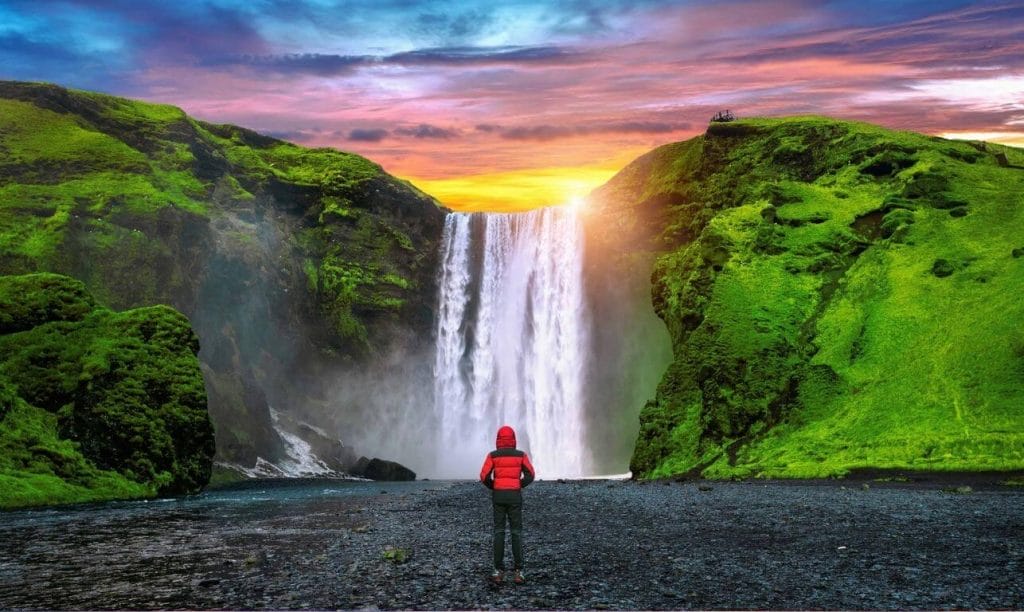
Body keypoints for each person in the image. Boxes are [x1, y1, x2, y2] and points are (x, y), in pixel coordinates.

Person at [479, 425, 535, 585]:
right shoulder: (521, 455)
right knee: (516, 532)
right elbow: (531, 474)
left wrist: (494, 485)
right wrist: (519, 484)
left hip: (498, 496)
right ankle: (519, 571)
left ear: (498, 439)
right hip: (515, 497)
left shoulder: (493, 455)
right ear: (514, 439)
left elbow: (483, 476)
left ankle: (498, 571)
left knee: (499, 531)